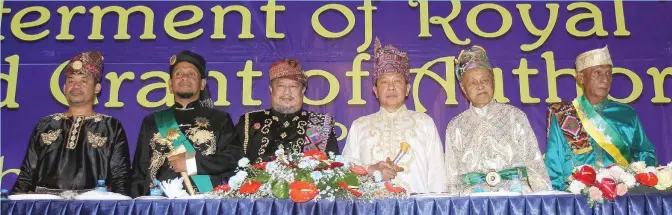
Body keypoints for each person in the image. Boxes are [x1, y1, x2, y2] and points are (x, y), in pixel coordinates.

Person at [11, 51, 132, 195]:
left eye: (83, 81)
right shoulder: (45, 125)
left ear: (97, 88)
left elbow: (120, 177)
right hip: (45, 206)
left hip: (92, 207)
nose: (75, 86)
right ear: (64, 88)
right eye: (70, 81)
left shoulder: (111, 127)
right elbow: (27, 174)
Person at [130, 51, 244, 197]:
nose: (184, 77)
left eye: (192, 74)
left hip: (205, 204)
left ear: (202, 84)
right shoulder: (152, 120)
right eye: (178, 74)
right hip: (158, 204)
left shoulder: (219, 119)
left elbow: (234, 159)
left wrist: (192, 163)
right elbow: (139, 173)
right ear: (170, 84)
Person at [341, 38, 447, 194]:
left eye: (397, 81)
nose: (391, 87)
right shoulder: (360, 125)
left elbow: (438, 175)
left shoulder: (424, 122)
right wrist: (371, 169)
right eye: (384, 82)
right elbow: (345, 173)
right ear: (375, 91)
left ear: (407, 89)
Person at [545, 46, 659, 190]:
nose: (605, 79)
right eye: (597, 73)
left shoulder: (627, 114)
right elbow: (553, 163)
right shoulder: (564, 115)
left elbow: (646, 152)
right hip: (577, 199)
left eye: (609, 73)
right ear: (581, 77)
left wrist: (641, 175)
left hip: (623, 198)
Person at [443, 46, 551, 195]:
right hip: (473, 202)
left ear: (493, 80)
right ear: (463, 88)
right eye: (473, 83)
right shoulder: (456, 127)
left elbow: (535, 165)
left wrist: (543, 201)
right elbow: (452, 177)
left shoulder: (515, 116)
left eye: (485, 80)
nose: (480, 86)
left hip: (515, 198)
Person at [236, 59, 339, 164]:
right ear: (271, 89)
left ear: (303, 90)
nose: (287, 92)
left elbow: (333, 171)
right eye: (281, 86)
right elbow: (233, 166)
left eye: (293, 86)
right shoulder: (250, 121)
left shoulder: (320, 124)